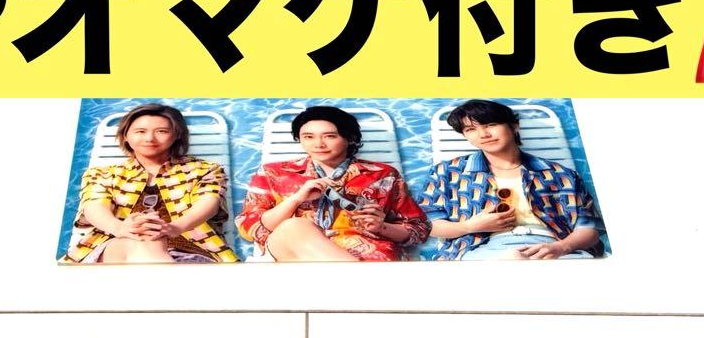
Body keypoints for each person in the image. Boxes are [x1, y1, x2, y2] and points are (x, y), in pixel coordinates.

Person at [237, 105, 429, 260]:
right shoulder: (273, 173)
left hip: (367, 252)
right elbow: (249, 227)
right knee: (294, 227)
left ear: (350, 138)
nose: (318, 144)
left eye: (330, 136)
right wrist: (296, 199)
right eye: (308, 137)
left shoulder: (383, 175)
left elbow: (419, 229)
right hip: (295, 250)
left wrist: (382, 227)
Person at [419, 100, 601, 260]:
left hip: (551, 245)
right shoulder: (448, 173)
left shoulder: (560, 174)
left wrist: (561, 247)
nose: (483, 134)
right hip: (481, 246)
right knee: (514, 260)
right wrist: (468, 226)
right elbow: (427, 225)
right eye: (471, 129)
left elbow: (589, 230)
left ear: (514, 126)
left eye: (491, 124)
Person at [65, 103, 237, 263]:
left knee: (152, 242)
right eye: (140, 131)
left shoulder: (205, 170)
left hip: (188, 251)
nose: (149, 138)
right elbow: (94, 207)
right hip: (117, 247)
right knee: (143, 241)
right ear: (125, 136)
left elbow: (209, 203)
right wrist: (120, 228)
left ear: (177, 135)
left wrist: (174, 228)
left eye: (161, 131)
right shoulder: (102, 174)